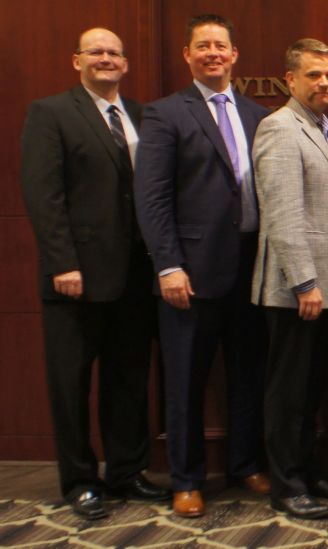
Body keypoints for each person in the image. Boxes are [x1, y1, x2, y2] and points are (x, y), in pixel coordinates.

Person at [20, 27, 170, 520]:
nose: (106, 59)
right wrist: (62, 262)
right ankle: (80, 480)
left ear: (126, 63)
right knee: (71, 381)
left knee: (128, 379)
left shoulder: (144, 116)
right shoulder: (51, 113)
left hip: (134, 274)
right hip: (76, 275)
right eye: (96, 52)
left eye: (114, 53)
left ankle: (126, 473)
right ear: (76, 60)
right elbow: (45, 195)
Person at [134, 14, 271, 518]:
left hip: (252, 266)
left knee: (248, 373)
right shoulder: (165, 114)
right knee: (186, 380)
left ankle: (244, 462)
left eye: (221, 46)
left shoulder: (259, 115)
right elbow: (152, 199)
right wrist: (168, 264)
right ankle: (187, 480)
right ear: (187, 55)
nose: (213, 53)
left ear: (235, 55)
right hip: (189, 273)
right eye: (203, 46)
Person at [250, 38, 328, 520]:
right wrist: (303, 283)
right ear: (290, 79)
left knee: (311, 391)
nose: (324, 83)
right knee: (289, 393)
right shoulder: (279, 128)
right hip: (298, 292)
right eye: (314, 75)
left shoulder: (323, 127)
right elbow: (283, 214)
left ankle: (306, 470)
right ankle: (287, 486)